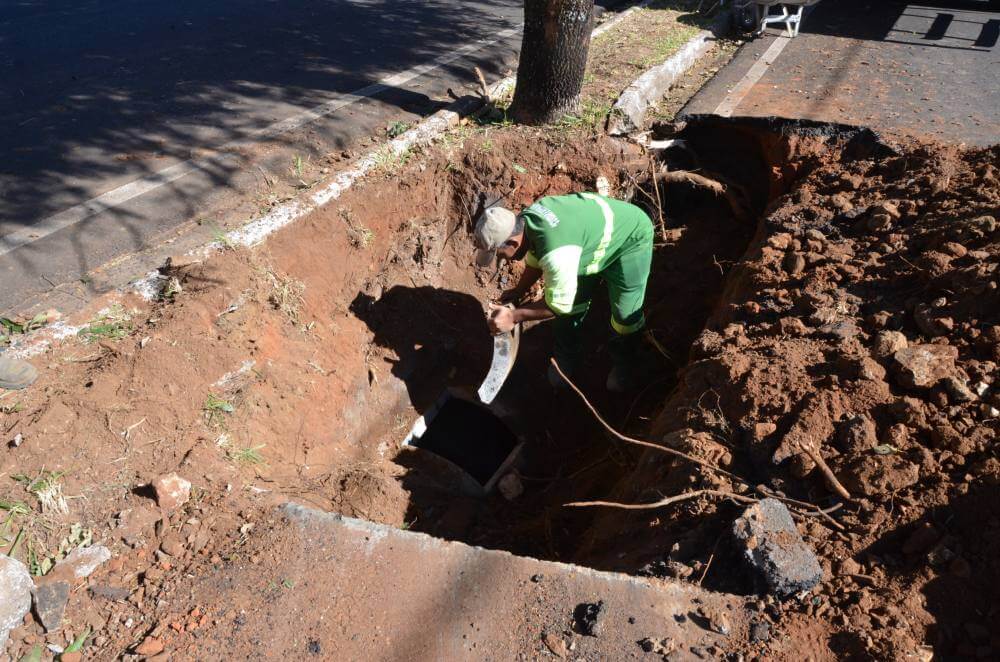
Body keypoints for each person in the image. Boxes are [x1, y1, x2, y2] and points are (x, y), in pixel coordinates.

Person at [474, 191, 654, 392]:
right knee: (573, 304)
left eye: (499, 254)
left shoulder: (557, 253)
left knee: (624, 315)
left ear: (514, 243)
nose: (502, 259)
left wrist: (514, 317)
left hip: (629, 240)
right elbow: (536, 259)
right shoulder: (527, 221)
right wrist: (518, 291)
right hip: (588, 241)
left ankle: (626, 362)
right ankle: (566, 357)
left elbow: (558, 306)